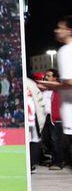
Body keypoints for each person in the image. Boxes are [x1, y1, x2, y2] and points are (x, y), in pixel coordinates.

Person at [38, 16, 72, 167]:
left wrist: (49, 85)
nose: (56, 30)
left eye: (60, 27)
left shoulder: (65, 51)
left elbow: (69, 83)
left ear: (69, 30)